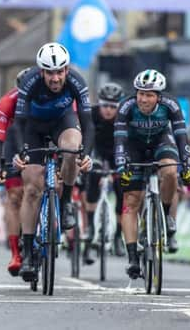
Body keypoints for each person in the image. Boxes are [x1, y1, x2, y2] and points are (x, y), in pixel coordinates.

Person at [11, 42, 93, 282]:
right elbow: (18, 123)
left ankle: (66, 202)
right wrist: (21, 152)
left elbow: (88, 123)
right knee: (32, 189)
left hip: (62, 122)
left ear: (66, 70)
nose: (55, 78)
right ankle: (27, 252)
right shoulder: (30, 82)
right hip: (33, 128)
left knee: (71, 150)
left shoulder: (77, 81)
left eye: (59, 72)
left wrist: (85, 153)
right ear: (41, 71)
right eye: (49, 72)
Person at [114, 69, 190, 279]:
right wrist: (122, 163)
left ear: (159, 96)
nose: (144, 99)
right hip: (134, 147)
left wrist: (186, 164)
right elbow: (120, 138)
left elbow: (181, 136)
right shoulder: (126, 105)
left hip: (160, 142)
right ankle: (132, 259)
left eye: (149, 95)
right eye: (140, 93)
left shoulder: (171, 105)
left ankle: (165, 216)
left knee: (170, 171)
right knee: (131, 201)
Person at [0, 67, 31, 276]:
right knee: (15, 196)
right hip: (12, 145)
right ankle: (16, 253)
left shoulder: (46, 99)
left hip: (38, 140)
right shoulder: (8, 102)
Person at [82, 82, 126, 266]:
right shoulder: (91, 114)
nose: (108, 110)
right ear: (99, 104)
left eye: (113, 107)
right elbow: (84, 138)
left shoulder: (124, 117)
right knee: (92, 179)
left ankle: (117, 236)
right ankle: (91, 226)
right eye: (104, 105)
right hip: (96, 152)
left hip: (117, 153)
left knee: (122, 188)